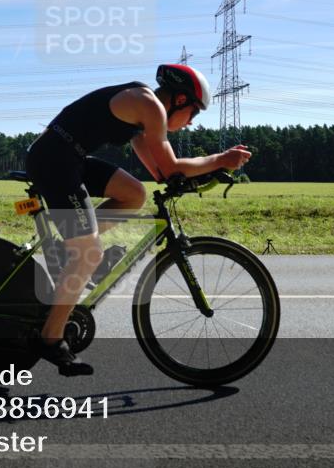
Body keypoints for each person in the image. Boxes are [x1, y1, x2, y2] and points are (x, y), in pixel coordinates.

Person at [24, 64, 252, 375]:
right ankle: (50, 339)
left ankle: (72, 250)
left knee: (134, 194)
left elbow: (159, 173)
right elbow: (171, 167)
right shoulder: (149, 106)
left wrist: (210, 170)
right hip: (55, 160)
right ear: (181, 100)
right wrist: (221, 159)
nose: (190, 124)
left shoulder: (145, 116)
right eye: (194, 114)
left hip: (68, 157)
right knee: (89, 254)